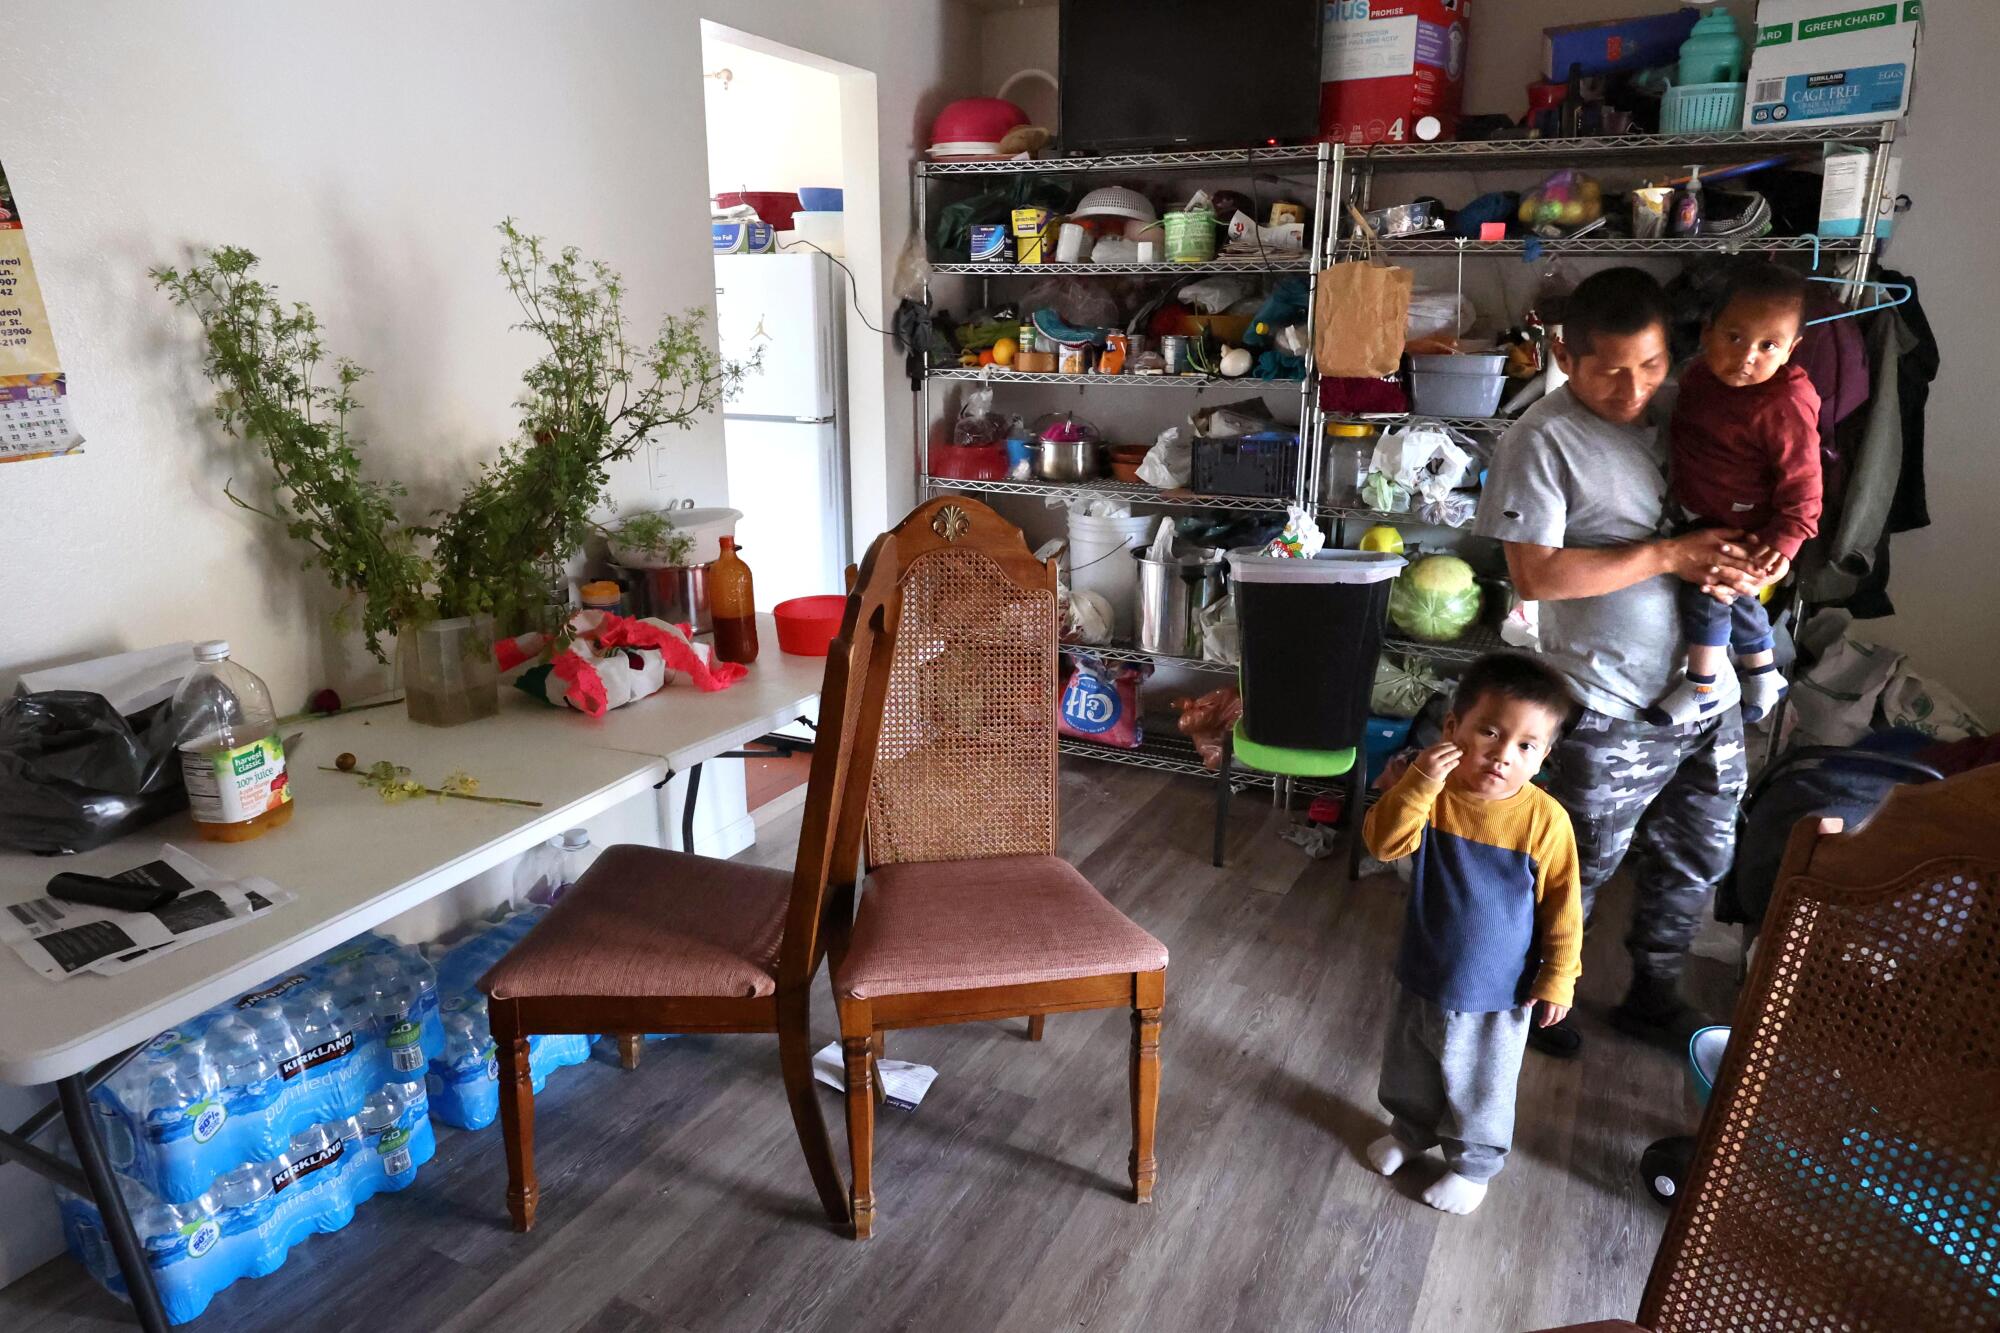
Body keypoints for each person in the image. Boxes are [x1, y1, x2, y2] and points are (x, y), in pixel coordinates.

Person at [1474, 267, 1771, 1057]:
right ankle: (1541, 997)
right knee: (1581, 865)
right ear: (1566, 357)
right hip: (1606, 699)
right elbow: (1535, 572)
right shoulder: (1540, 438)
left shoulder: (1688, 411)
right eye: (1609, 368)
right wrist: (1671, 555)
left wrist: (1758, 563)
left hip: (1708, 695)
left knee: (1698, 853)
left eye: (1650, 364)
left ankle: (1654, 992)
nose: (1633, 386)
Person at [1361, 654, 1581, 1216]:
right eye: (1489, 731)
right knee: (1409, 1061)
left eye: (1527, 746)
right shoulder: (1429, 794)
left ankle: (1473, 1166)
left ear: (1544, 756)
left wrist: (1558, 978)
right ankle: (1409, 1132)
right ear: (1452, 727)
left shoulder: (1545, 820)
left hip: (1497, 989)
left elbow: (1563, 906)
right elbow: (1383, 844)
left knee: (1481, 1085)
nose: (1504, 754)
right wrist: (1418, 781)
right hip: (1423, 966)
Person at [1647, 262, 1822, 725]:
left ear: (1791, 350)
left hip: (1748, 520)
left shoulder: (1782, 403)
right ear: (1708, 332)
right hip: (1703, 504)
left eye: (1769, 346)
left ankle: (1701, 684)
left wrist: (1784, 545)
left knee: (1709, 586)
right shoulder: (1700, 377)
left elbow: (1805, 486)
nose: (1747, 357)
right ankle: (1763, 673)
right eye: (1735, 338)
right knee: (1739, 596)